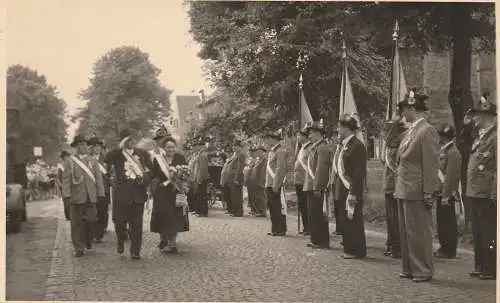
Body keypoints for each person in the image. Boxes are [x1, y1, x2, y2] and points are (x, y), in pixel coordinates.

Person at [394, 90, 439, 282]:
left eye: (404, 108)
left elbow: (430, 163)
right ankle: (410, 268)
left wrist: (429, 191)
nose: (402, 113)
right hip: (404, 188)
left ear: (413, 108)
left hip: (417, 189)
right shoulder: (411, 130)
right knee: (406, 233)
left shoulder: (426, 130)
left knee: (418, 232)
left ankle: (422, 269)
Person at [104, 129, 153, 260]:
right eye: (128, 140)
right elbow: (106, 162)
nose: (131, 142)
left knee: (136, 225)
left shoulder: (142, 154)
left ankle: (135, 251)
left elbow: (150, 170)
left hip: (138, 194)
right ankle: (120, 240)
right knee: (119, 223)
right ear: (123, 141)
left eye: (133, 139)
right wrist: (118, 148)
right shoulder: (117, 154)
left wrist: (145, 179)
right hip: (121, 195)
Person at [466, 93, 497, 280]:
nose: (475, 118)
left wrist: (494, 192)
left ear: (486, 116)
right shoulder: (480, 136)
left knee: (489, 232)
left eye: (477, 115)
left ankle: (491, 266)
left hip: (486, 193)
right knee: (478, 231)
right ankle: (480, 264)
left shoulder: (495, 137)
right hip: (475, 191)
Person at [61, 135, 105, 257]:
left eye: (85, 144)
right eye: (80, 145)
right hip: (76, 197)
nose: (83, 147)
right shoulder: (70, 161)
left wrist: (101, 194)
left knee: (92, 221)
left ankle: (88, 240)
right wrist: (67, 196)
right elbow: (66, 180)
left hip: (91, 197)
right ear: (75, 147)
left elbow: (98, 179)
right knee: (76, 224)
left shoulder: (93, 161)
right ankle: (78, 248)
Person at [150, 128, 189, 254]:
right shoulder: (158, 159)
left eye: (173, 147)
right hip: (162, 192)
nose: (171, 149)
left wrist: (184, 184)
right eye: (168, 147)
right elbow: (153, 175)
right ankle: (163, 238)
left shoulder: (180, 158)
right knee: (162, 216)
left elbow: (186, 173)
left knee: (175, 217)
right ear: (164, 147)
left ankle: (173, 244)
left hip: (176, 192)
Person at [381, 116, 407, 258]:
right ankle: (391, 243)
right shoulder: (390, 148)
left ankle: (397, 247)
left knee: (396, 220)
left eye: (389, 131)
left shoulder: (398, 147)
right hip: (389, 187)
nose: (386, 135)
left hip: (395, 188)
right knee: (391, 220)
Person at [434, 124, 461, 259]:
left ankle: (449, 249)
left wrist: (446, 195)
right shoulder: (444, 150)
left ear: (444, 138)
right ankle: (444, 246)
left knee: (448, 222)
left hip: (447, 193)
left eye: (441, 136)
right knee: (442, 221)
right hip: (441, 192)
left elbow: (450, 176)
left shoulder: (453, 152)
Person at [305, 121, 332, 249]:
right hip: (310, 185)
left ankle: (321, 240)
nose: (309, 136)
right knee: (313, 214)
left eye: (311, 133)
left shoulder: (322, 148)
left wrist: (317, 186)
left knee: (319, 215)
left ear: (318, 133)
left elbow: (321, 169)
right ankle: (316, 239)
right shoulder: (315, 147)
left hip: (316, 186)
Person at [88, 136, 111, 243]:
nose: (97, 148)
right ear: (91, 148)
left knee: (102, 213)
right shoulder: (87, 160)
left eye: (98, 146)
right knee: (92, 213)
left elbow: (110, 173)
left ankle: (99, 234)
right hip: (91, 190)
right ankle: (92, 233)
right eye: (95, 146)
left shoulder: (106, 159)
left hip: (104, 190)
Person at [264, 130, 288, 236]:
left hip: (275, 184)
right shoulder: (272, 151)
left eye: (268, 138)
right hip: (270, 183)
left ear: (274, 139)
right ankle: (275, 228)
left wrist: (276, 184)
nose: (266, 140)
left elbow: (280, 169)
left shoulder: (280, 151)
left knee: (278, 207)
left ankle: (280, 229)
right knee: (273, 207)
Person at [294, 124, 313, 235]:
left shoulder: (310, 148)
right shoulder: (301, 148)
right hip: (299, 180)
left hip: (306, 181)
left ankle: (309, 227)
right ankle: (306, 227)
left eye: (299, 135)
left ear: (305, 136)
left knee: (307, 206)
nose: (297, 138)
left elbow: (310, 166)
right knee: (302, 205)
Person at [225, 139, 246, 217]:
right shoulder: (235, 154)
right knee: (233, 196)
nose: (233, 147)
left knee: (237, 196)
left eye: (235, 146)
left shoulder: (241, 155)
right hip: (231, 177)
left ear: (239, 147)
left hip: (236, 177)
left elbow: (239, 168)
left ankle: (238, 212)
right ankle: (234, 211)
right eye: (233, 146)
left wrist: (236, 179)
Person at [194, 138, 210, 217]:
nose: (197, 147)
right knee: (200, 195)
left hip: (202, 178)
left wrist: (200, 178)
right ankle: (200, 211)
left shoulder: (203, 155)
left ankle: (203, 212)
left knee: (202, 195)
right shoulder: (201, 154)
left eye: (199, 145)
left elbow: (203, 168)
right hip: (200, 177)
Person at [250, 145, 268, 217]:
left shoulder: (264, 158)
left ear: (261, 151)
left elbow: (264, 170)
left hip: (261, 180)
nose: (257, 152)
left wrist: (262, 181)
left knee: (261, 195)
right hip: (256, 180)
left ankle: (263, 212)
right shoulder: (259, 158)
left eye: (258, 150)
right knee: (257, 196)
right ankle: (259, 210)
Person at [244, 146, 258, 215]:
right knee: (250, 195)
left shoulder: (255, 160)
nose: (249, 153)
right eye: (249, 151)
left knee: (253, 195)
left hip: (253, 180)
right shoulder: (250, 159)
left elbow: (252, 169)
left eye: (250, 151)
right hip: (249, 180)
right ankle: (252, 209)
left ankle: (255, 209)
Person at [59, 150, 71, 220]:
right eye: (65, 157)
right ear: (63, 157)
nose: (67, 158)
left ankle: (71, 215)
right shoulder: (61, 166)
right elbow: (58, 177)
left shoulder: (71, 164)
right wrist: (61, 186)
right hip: (65, 186)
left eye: (67, 156)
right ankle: (68, 216)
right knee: (66, 202)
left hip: (72, 186)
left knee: (72, 202)